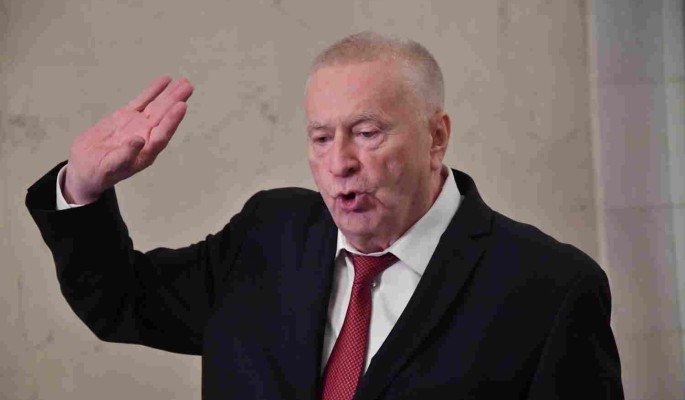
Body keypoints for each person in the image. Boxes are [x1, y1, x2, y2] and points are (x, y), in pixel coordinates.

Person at [26, 32, 624, 399]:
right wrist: (83, 185)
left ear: (436, 137)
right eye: (320, 138)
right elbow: (122, 301)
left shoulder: (550, 290)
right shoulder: (267, 235)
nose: (339, 163)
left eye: (367, 132)